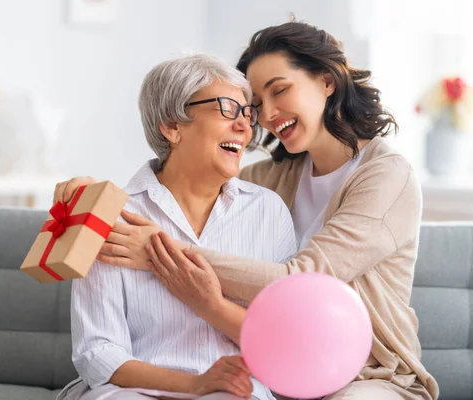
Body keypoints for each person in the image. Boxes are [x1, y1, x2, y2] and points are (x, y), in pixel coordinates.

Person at [56, 21, 440, 400]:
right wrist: (86, 195)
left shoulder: (385, 175)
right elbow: (193, 173)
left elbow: (300, 284)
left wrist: (160, 253)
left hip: (367, 373)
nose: (264, 117)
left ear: (327, 80)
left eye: (280, 91)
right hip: (285, 374)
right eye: (253, 105)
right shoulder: (268, 179)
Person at [55, 54, 297, 400]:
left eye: (247, 113)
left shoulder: (268, 212)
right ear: (171, 126)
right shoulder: (112, 213)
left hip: (234, 392)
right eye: (228, 108)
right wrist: (194, 385)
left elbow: (285, 342)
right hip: (134, 390)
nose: (245, 127)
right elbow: (99, 352)